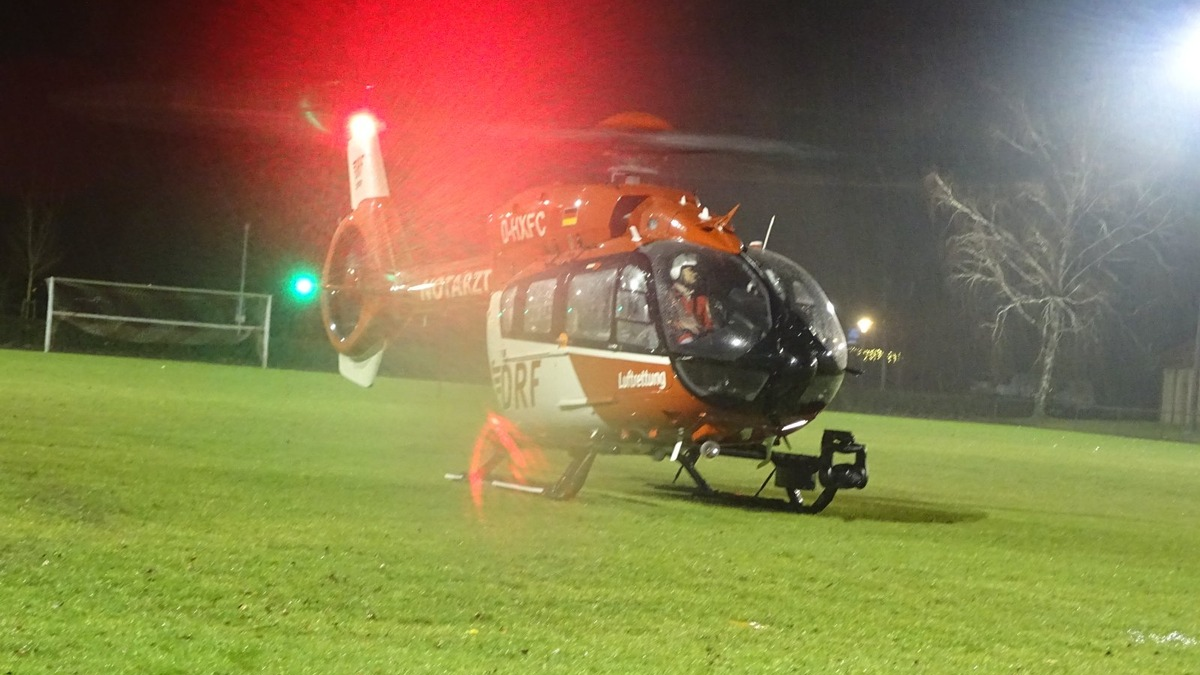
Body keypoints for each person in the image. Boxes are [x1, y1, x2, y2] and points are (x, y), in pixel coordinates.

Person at [667, 253, 713, 344]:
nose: (695, 273)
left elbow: (709, 325)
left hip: (699, 345)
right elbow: (662, 323)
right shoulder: (668, 297)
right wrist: (682, 324)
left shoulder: (702, 299)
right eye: (690, 270)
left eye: (695, 270)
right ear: (678, 273)